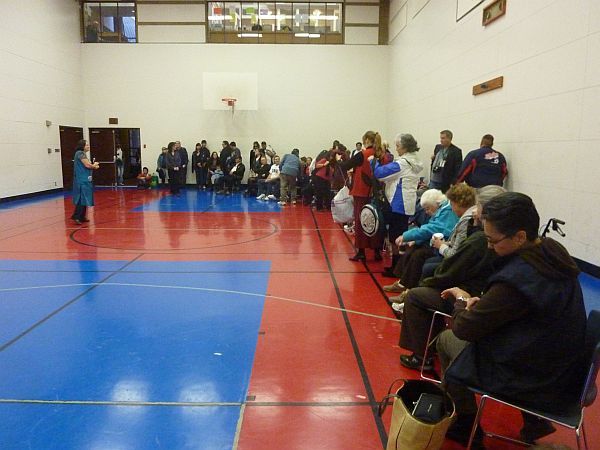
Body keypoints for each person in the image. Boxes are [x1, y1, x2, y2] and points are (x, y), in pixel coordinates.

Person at [436, 192, 586, 448]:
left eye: (493, 241)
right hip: (565, 369)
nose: (489, 247)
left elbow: (464, 328)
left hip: (536, 379)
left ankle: (465, 424)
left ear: (520, 236)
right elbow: (530, 308)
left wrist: (461, 300)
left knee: (447, 339)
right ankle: (534, 422)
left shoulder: (517, 279)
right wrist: (489, 305)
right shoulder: (552, 252)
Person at [397, 185, 504, 371]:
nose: (475, 210)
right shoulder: (481, 234)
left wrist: (430, 282)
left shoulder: (480, 240)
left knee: (417, 295)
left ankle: (421, 356)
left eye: (478, 206)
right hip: (477, 288)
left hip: (468, 293)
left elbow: (452, 269)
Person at [384, 189, 458, 297]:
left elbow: (432, 228)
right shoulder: (442, 210)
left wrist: (406, 236)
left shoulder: (447, 212)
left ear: (436, 204)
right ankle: (403, 283)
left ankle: (409, 289)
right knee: (414, 248)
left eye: (428, 208)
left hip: (443, 245)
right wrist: (416, 240)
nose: (426, 212)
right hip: (436, 242)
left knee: (419, 255)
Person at [374, 133, 423, 276]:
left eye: (398, 146)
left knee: (395, 236)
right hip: (406, 202)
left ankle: (397, 268)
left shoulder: (403, 163)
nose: (396, 149)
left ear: (405, 147)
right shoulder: (414, 160)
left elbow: (380, 174)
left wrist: (374, 162)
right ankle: (398, 266)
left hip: (398, 203)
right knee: (400, 234)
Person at [340, 131, 385, 262]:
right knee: (376, 220)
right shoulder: (381, 154)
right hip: (376, 192)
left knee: (361, 221)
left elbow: (345, 166)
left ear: (366, 140)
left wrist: (338, 160)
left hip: (362, 191)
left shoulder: (362, 154)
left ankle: (361, 251)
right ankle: (377, 251)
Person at [424, 183, 478, 277]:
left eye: (452, 205)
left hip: (459, 264)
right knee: (429, 261)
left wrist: (441, 246)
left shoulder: (466, 222)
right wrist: (445, 244)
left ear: (458, 203)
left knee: (427, 267)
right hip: (460, 259)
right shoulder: (466, 218)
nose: (452, 209)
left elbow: (454, 254)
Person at [71, 139, 100, 225]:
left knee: (84, 198)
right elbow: (87, 165)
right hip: (81, 180)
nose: (88, 146)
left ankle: (82, 216)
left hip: (85, 179)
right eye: (86, 145)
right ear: (82, 146)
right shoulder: (80, 153)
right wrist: (94, 166)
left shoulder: (82, 154)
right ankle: (77, 216)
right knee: (81, 198)